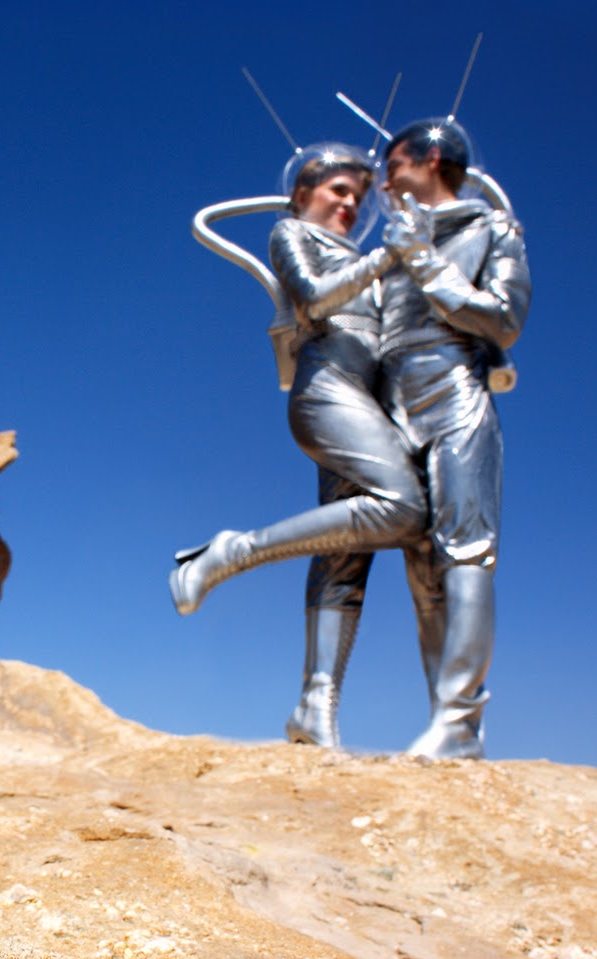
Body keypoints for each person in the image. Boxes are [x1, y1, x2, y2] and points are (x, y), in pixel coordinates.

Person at [172, 145, 428, 748]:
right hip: (327, 391)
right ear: (303, 193)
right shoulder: (291, 233)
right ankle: (232, 552)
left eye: (358, 197)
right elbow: (312, 298)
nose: (349, 204)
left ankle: (317, 706)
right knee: (404, 509)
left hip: (369, 399)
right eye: (338, 190)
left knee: (346, 557)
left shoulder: (368, 259)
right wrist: (388, 256)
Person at [373, 119, 530, 759]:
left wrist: (423, 260)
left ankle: (460, 719)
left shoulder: (491, 228)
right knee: (419, 564)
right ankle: (444, 721)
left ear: (432, 157)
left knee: (465, 550)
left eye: (394, 165)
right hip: (392, 403)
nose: (384, 181)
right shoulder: (392, 242)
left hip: (456, 389)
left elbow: (504, 318)